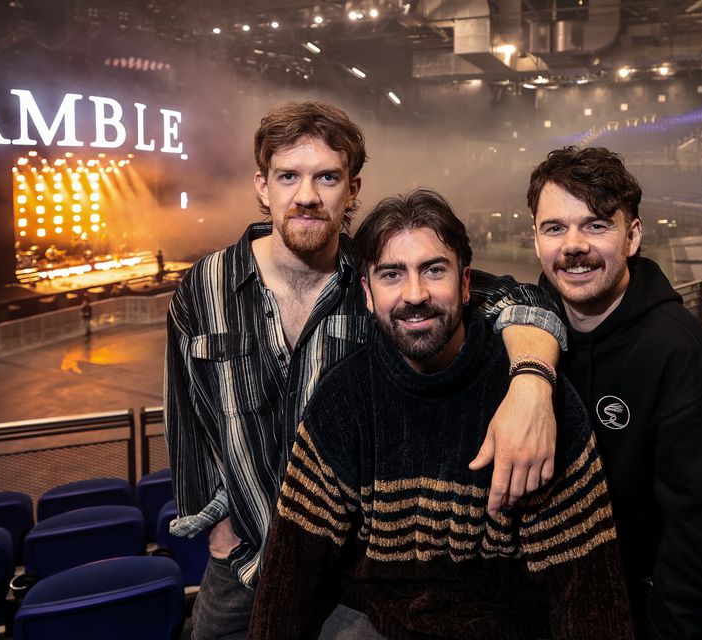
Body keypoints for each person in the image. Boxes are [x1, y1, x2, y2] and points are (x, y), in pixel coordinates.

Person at [164, 101, 566, 639]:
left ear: (352, 189)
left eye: (327, 176)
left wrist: (533, 386)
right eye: (289, 176)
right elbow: (187, 423)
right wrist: (219, 533)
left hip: (349, 578)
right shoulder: (202, 289)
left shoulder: (383, 284)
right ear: (263, 186)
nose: (307, 194)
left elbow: (520, 300)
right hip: (240, 567)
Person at [249, 189, 633, 640]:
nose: (415, 294)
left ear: (466, 284)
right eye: (392, 274)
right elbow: (289, 576)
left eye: (434, 270)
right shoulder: (344, 397)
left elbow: (586, 595)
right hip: (377, 625)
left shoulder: (538, 404)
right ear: (368, 296)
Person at [526, 146, 702, 639]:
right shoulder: (529, 329)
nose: (573, 245)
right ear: (535, 239)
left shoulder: (683, 355)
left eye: (597, 225)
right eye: (554, 227)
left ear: (633, 236)